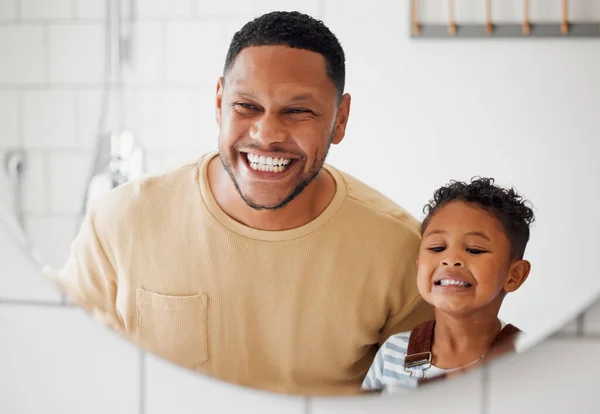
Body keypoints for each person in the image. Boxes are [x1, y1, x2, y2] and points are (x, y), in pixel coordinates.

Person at [43, 11, 433, 396]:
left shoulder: (401, 251)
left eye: (297, 111)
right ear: (219, 102)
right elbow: (58, 359)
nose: (267, 134)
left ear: (341, 118)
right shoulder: (120, 221)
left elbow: (434, 388)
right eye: (246, 106)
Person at [361, 177, 534, 393]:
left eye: (474, 249)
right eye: (436, 248)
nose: (450, 259)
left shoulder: (531, 359)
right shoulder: (393, 354)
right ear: (419, 264)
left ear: (513, 276)